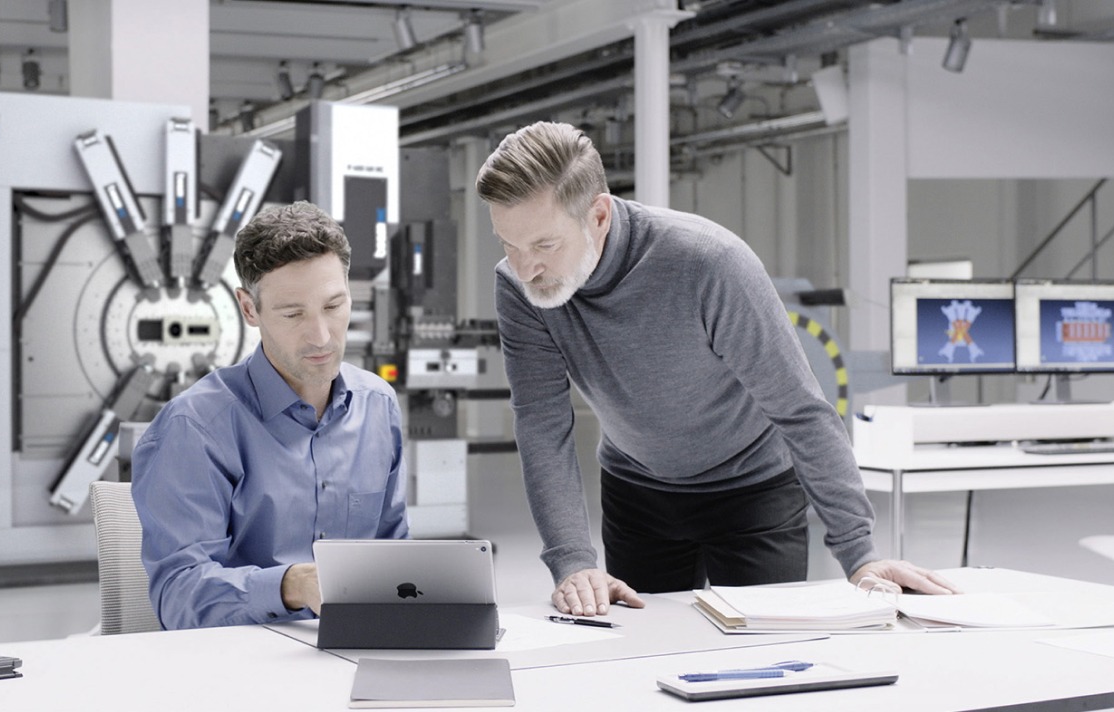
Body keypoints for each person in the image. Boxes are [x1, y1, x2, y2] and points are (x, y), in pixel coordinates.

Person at [475, 121, 954, 618]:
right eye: (509, 244)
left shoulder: (708, 264)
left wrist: (859, 554)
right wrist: (572, 561)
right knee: (645, 650)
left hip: (754, 490)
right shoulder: (519, 286)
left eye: (544, 246)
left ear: (598, 215)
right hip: (637, 493)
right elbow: (542, 422)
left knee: (764, 652)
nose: (525, 268)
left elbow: (799, 408)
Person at [131, 201, 409, 630]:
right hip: (242, 660)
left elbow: (396, 558)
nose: (321, 336)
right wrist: (290, 586)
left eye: (333, 306)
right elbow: (179, 597)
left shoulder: (378, 405)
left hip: (358, 649)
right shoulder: (195, 428)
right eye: (293, 314)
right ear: (249, 309)